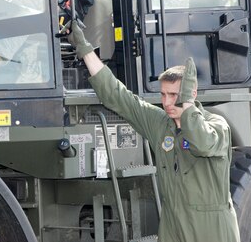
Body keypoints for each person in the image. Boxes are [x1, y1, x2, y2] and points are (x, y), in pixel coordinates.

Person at [62, 20, 241, 242]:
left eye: (174, 95)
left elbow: (202, 142)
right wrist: (84, 47)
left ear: (191, 93)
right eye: (163, 94)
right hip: (172, 227)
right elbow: (118, 96)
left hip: (211, 231)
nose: (166, 102)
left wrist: (187, 107)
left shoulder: (217, 126)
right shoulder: (160, 124)